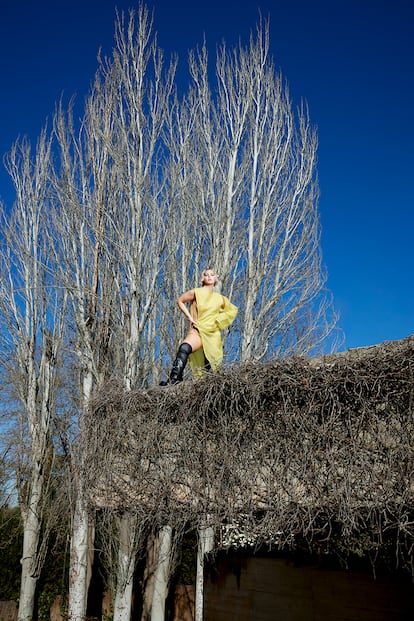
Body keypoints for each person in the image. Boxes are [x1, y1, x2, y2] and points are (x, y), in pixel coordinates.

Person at [160, 268, 238, 385]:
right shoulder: (196, 292)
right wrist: (190, 317)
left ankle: (210, 391)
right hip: (197, 330)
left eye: (212, 275)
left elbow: (233, 310)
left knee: (210, 366)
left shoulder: (220, 299)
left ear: (216, 278)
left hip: (212, 335)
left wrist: (218, 320)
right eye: (206, 275)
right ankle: (174, 379)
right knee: (184, 348)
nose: (209, 277)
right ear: (203, 278)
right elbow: (180, 300)